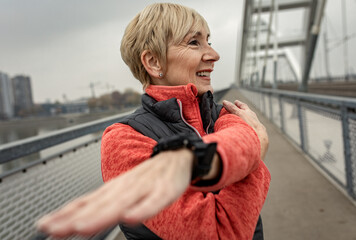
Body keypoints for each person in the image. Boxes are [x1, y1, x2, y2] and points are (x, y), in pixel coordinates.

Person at [36, 3, 270, 239]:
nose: (214, 55)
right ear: (154, 62)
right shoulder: (123, 140)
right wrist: (256, 147)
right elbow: (219, 234)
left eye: (209, 41)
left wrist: (197, 158)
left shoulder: (225, 114)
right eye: (194, 42)